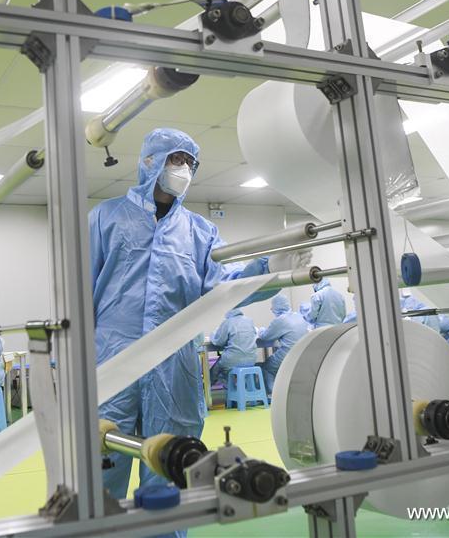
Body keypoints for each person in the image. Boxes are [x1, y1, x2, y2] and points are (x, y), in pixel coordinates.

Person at [89, 128, 310, 521]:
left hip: (174, 368)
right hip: (113, 362)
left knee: (170, 471)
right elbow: (81, 288)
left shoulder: (200, 231)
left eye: (190, 162)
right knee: (103, 464)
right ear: (150, 161)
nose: (184, 169)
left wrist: (268, 270)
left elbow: (222, 289)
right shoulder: (105, 217)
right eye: (176, 159)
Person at [256, 294, 311, 392]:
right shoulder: (299, 316)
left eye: (273, 306)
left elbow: (265, 336)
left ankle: (273, 394)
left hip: (287, 355)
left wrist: (260, 330)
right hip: (302, 355)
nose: (271, 309)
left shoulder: (281, 320)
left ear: (277, 306)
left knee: (267, 367)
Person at [208, 309, 258, 385]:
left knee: (215, 371)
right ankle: (237, 387)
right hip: (251, 360)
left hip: (232, 360)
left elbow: (218, 342)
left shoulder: (228, 322)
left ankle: (206, 389)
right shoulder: (249, 321)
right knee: (226, 369)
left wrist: (212, 335)